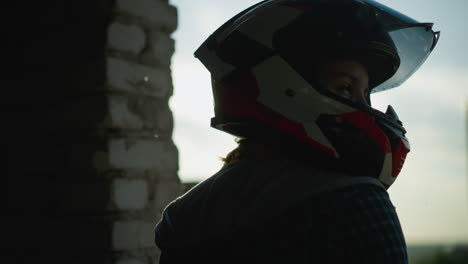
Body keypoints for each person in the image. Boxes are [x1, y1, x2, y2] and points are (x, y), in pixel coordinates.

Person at [154, 0, 439, 263]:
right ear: (283, 82)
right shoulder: (356, 200)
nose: (364, 108)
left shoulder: (183, 216)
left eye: (366, 94)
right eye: (345, 88)